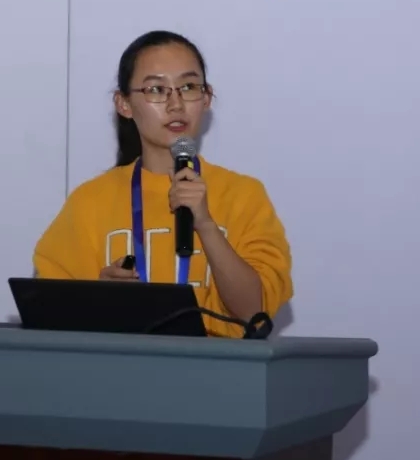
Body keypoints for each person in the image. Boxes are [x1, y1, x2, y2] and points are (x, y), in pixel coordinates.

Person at [32, 30, 293, 337]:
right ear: (124, 104)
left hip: (219, 364)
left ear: (207, 98)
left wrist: (205, 224)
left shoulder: (244, 195)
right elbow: (49, 311)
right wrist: (100, 298)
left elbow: (254, 313)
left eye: (188, 87)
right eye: (156, 89)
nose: (176, 104)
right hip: (123, 364)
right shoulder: (90, 201)